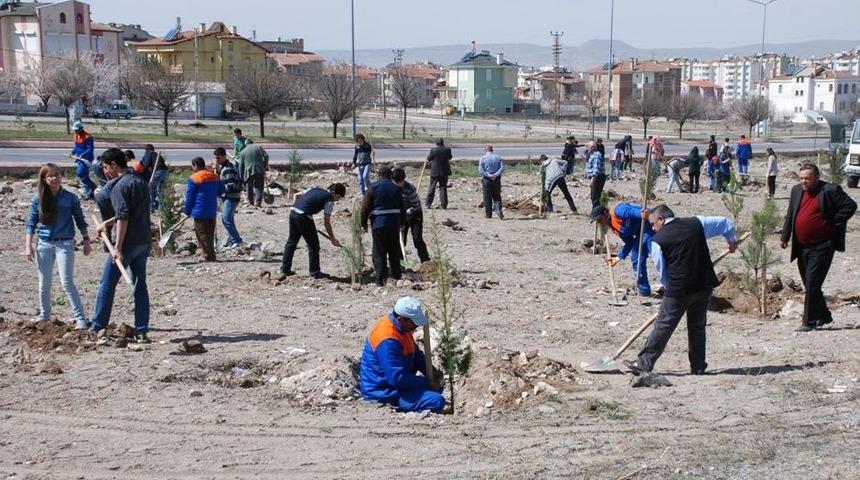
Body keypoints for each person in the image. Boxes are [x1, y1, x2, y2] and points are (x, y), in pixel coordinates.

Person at [624, 205, 739, 376]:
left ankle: (643, 363)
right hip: (704, 285)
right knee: (697, 327)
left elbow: (662, 272)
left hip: (679, 289)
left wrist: (669, 290)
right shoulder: (696, 223)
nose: (652, 228)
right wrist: (732, 240)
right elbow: (725, 223)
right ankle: (698, 367)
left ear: (661, 219)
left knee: (664, 325)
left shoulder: (657, 241)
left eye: (653, 224)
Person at [779, 163, 857, 331]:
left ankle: (808, 321)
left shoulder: (829, 190)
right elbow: (791, 214)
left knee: (813, 282)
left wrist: (833, 222)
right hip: (801, 246)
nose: (803, 181)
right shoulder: (796, 191)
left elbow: (850, 206)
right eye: (801, 178)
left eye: (807, 178)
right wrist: (785, 236)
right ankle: (824, 315)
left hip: (823, 245)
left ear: (816, 177)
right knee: (809, 283)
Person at [90, 148, 152, 343]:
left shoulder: (119, 186)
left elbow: (123, 217)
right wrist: (106, 223)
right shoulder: (140, 181)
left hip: (128, 243)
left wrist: (117, 247)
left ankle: (98, 326)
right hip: (144, 240)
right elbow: (128, 213)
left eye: (105, 167)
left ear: (114, 165)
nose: (105, 171)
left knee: (107, 283)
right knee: (139, 284)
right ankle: (141, 329)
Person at [24, 163, 92, 329]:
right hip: (44, 244)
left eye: (57, 175)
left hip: (65, 243)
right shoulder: (37, 199)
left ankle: (80, 318)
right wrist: (28, 245)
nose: (54, 178)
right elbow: (31, 223)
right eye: (50, 176)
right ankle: (44, 315)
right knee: (44, 283)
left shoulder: (70, 198)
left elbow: (80, 219)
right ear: (44, 179)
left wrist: (86, 240)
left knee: (67, 282)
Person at [359, 296, 445, 413]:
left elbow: (416, 355)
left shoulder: (403, 329)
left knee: (438, 389)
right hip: (384, 393)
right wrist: (426, 382)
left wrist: (433, 374)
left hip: (398, 386)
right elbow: (396, 379)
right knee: (437, 401)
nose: (416, 327)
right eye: (414, 324)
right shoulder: (388, 340)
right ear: (401, 319)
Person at [279, 183, 345, 279]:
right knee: (314, 245)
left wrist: (297, 208)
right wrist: (333, 238)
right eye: (338, 197)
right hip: (303, 216)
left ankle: (285, 269)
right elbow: (327, 222)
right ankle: (315, 272)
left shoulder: (316, 189)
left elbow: (296, 195)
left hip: (293, 211)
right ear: (333, 192)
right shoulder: (329, 201)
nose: (337, 200)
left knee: (291, 242)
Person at [591, 203, 654, 296]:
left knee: (653, 253)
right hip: (640, 233)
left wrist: (642, 214)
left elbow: (633, 211)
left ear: (605, 213)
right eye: (598, 221)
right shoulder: (615, 228)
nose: (600, 222)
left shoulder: (618, 210)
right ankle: (644, 291)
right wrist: (617, 259)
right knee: (636, 257)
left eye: (600, 219)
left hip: (650, 224)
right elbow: (630, 242)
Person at [362, 167, 406, 286]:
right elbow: (402, 207)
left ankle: (381, 280)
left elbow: (365, 208)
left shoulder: (372, 188)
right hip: (394, 224)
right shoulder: (397, 188)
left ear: (379, 175)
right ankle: (396, 277)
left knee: (379, 252)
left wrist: (363, 224)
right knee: (394, 250)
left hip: (379, 224)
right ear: (390, 175)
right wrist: (402, 223)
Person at [184, 157, 224, 262]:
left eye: (192, 166)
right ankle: (209, 254)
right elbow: (221, 189)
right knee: (209, 234)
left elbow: (190, 197)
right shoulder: (214, 176)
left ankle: (209, 256)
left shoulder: (194, 178)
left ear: (195, 165)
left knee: (202, 235)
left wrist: (187, 211)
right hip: (212, 210)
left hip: (199, 211)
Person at [393, 167, 430, 263]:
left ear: (403, 179)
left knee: (417, 239)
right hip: (400, 216)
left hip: (415, 214)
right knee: (400, 240)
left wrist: (404, 214)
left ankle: (425, 261)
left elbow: (416, 206)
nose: (398, 184)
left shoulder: (409, 188)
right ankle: (399, 262)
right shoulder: (391, 188)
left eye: (400, 182)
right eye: (396, 182)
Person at [214, 147, 243, 249]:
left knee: (226, 219)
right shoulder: (223, 167)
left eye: (218, 158)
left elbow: (231, 185)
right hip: (227, 196)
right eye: (215, 158)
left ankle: (236, 240)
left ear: (224, 156)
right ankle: (232, 240)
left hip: (232, 197)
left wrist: (219, 190)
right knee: (228, 219)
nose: (217, 160)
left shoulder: (228, 169)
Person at [70, 120, 97, 200]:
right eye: (75, 130)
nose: (76, 131)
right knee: (84, 175)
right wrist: (72, 152)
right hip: (79, 158)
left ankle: (91, 187)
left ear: (81, 128)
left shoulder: (88, 137)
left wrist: (83, 154)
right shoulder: (76, 136)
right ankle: (89, 190)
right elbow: (76, 147)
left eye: (77, 130)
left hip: (86, 159)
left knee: (80, 173)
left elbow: (90, 149)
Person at [237, 139, 269, 207]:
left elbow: (241, 166)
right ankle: (258, 203)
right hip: (259, 169)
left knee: (249, 187)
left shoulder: (243, 152)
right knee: (259, 186)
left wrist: (241, 176)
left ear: (246, 144)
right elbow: (266, 156)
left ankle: (251, 203)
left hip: (248, 171)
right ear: (252, 143)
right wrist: (264, 165)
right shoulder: (259, 147)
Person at [425, 138, 452, 209]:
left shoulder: (433, 150)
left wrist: (428, 156)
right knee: (443, 188)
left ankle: (428, 204)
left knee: (432, 188)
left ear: (436, 143)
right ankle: (444, 204)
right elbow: (450, 157)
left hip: (435, 172)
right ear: (443, 143)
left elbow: (429, 158)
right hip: (444, 172)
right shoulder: (447, 150)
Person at [478, 145, 504, 219]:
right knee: (497, 195)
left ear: (485, 150)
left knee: (487, 197)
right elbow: (502, 168)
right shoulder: (498, 157)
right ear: (492, 150)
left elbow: (481, 170)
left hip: (487, 179)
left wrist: (489, 175)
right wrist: (495, 174)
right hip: (496, 179)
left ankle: (488, 214)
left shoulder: (483, 158)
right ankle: (498, 209)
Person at [146, 146, 168, 212]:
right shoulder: (157, 155)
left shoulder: (149, 153)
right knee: (160, 190)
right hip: (165, 172)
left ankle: (152, 207)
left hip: (158, 171)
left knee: (151, 189)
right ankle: (161, 208)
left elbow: (146, 164)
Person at [585, 141, 606, 209]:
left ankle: (596, 212)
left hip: (598, 178)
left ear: (592, 147)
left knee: (595, 197)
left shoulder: (596, 156)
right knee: (594, 196)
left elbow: (596, 170)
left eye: (588, 147)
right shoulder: (593, 155)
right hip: (596, 178)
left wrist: (592, 180)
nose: (587, 149)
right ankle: (596, 211)